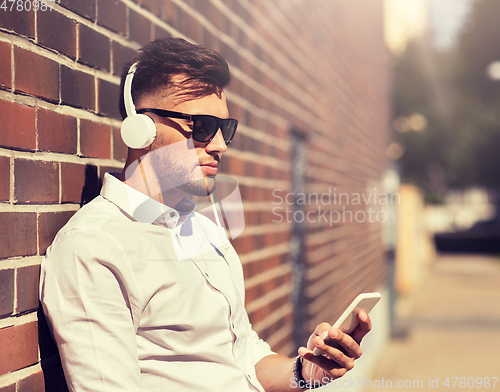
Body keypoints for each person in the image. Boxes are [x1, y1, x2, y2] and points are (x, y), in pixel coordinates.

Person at [39, 37, 372, 392]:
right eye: (201, 126)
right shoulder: (94, 247)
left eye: (224, 128)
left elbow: (242, 356)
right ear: (142, 128)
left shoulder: (202, 230)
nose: (219, 144)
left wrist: (305, 371)